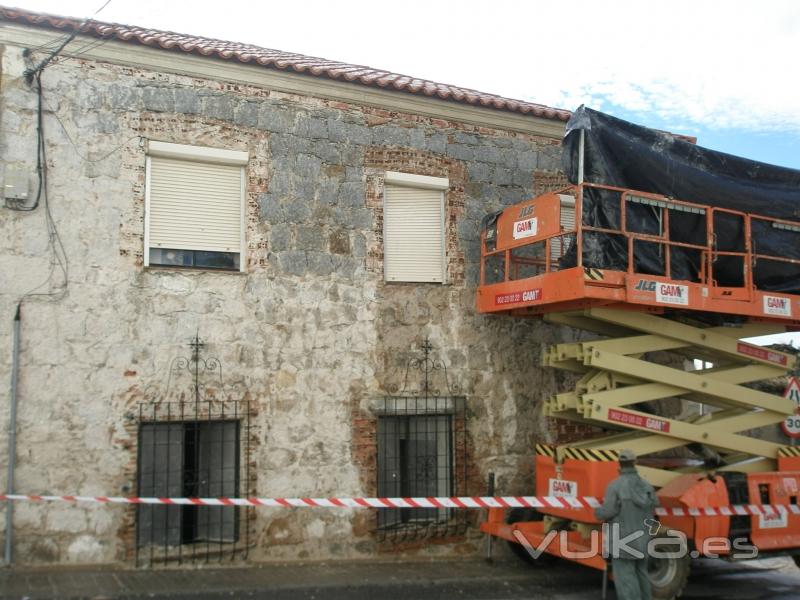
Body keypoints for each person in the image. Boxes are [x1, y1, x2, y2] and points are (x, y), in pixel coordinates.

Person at [594, 449, 658, 600]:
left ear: (619, 464)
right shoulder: (647, 486)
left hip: (622, 542)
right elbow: (653, 507)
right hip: (643, 540)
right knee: (642, 575)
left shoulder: (614, 486)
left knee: (626, 581)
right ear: (635, 463)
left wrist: (597, 512)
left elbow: (608, 511)